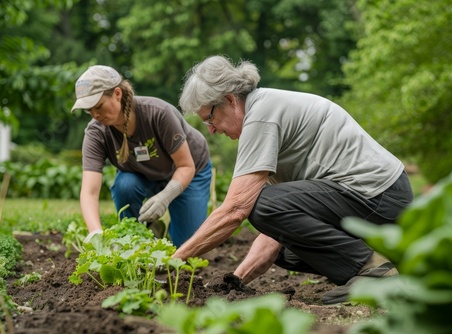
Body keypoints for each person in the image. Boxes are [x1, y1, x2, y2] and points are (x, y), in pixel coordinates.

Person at [172, 55, 414, 304]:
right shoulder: (262, 110)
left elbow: (236, 209)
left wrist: (175, 259)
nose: (211, 129)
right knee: (287, 248)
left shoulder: (261, 117)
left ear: (230, 100)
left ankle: (375, 273)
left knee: (260, 205)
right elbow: (278, 230)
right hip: (378, 199)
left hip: (379, 196)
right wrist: (236, 279)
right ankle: (384, 264)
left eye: (209, 118)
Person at [71, 65, 212, 248]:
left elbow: (186, 166)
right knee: (125, 185)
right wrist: (96, 233)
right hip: (143, 175)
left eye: (99, 106)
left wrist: (165, 197)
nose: (95, 115)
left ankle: (172, 238)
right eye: (89, 110)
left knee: (188, 247)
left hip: (190, 170)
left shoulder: (158, 113)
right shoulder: (96, 133)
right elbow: (89, 192)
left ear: (117, 94)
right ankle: (140, 238)